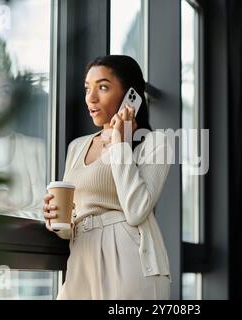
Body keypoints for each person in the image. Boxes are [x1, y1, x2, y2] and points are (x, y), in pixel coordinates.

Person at [42, 55, 172, 299]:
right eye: (87, 88)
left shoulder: (156, 143)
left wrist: (119, 142)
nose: (91, 98)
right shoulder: (77, 146)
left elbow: (136, 210)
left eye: (102, 87)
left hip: (130, 260)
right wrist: (57, 221)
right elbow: (77, 217)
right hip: (81, 257)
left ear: (129, 95)